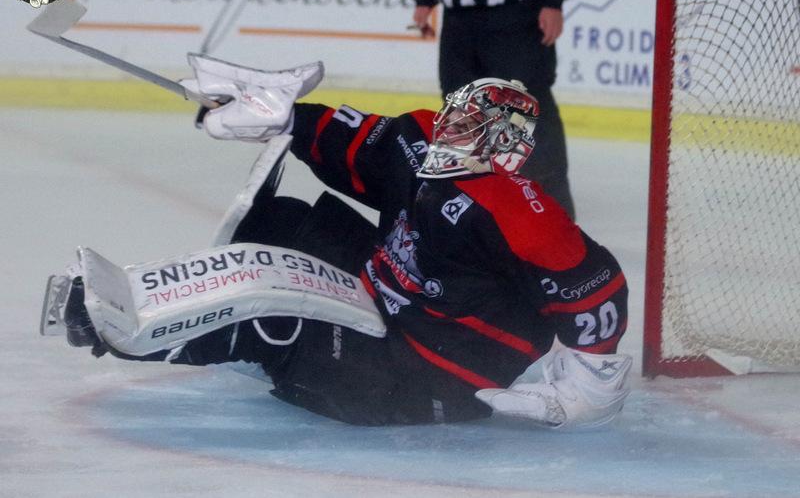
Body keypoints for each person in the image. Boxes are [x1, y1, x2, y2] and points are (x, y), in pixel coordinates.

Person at [46, 54, 631, 429]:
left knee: (275, 324)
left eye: (468, 130)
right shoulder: (420, 137)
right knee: (279, 223)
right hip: (379, 288)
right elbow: (352, 142)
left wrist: (593, 380)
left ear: (504, 149)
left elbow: (597, 287)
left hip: (426, 370)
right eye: (454, 118)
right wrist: (286, 118)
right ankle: (247, 332)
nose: (449, 133)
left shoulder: (522, 216)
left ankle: (119, 333)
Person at [411, 0, 576, 219]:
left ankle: (552, 211)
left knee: (526, 111)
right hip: (459, 19)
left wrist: (553, 1)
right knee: (460, 110)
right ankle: (466, 208)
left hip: (515, 17)